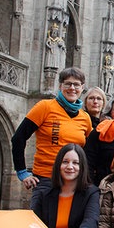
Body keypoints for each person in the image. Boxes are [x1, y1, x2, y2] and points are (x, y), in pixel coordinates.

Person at [11, 67, 92, 208]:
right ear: (60, 86)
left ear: (82, 88)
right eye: (68, 84)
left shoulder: (85, 118)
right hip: (46, 179)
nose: (72, 88)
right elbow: (18, 138)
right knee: (39, 226)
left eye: (76, 85)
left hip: (73, 181)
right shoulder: (45, 107)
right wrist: (22, 172)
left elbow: (89, 151)